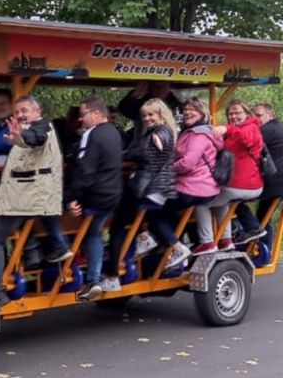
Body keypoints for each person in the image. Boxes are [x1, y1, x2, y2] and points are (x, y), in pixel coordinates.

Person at [0, 96, 71, 306]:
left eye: (25, 110)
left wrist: (20, 136)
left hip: (26, 198)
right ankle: (34, 258)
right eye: (18, 111)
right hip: (25, 196)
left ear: (37, 110)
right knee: (10, 236)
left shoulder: (42, 127)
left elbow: (34, 138)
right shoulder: (30, 129)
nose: (21, 114)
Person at [104, 98, 178, 283]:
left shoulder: (161, 131)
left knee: (119, 225)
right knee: (141, 220)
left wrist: (157, 140)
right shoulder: (151, 132)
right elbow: (135, 152)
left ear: (160, 114)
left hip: (146, 186)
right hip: (150, 187)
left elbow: (162, 140)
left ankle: (113, 274)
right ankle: (146, 239)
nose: (147, 118)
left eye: (151, 114)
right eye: (144, 115)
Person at [145, 96, 221, 269]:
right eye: (185, 110)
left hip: (194, 187)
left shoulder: (198, 134)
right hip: (204, 187)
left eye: (192, 109)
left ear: (202, 113)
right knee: (169, 211)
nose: (187, 113)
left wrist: (168, 167)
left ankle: (176, 248)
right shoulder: (198, 131)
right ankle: (166, 244)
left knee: (153, 209)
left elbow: (188, 163)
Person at [61, 96, 124, 300]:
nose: (80, 119)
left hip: (94, 196)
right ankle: (93, 278)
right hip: (113, 194)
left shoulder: (91, 134)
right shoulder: (114, 132)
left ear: (96, 114)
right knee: (93, 232)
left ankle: (78, 274)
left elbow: (83, 171)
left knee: (56, 221)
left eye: (83, 114)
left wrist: (69, 198)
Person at [193, 100, 264, 255]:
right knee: (219, 202)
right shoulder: (235, 131)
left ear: (246, 114)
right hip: (238, 186)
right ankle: (226, 241)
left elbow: (246, 138)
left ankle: (207, 243)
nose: (234, 116)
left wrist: (226, 128)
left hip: (244, 184)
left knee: (200, 202)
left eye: (238, 112)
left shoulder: (251, 127)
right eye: (231, 113)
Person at [234, 102, 283, 244]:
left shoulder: (268, 130)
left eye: (259, 115)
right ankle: (260, 248)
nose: (255, 119)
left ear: (270, 115)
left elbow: (244, 145)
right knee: (262, 216)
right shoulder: (275, 127)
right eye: (253, 115)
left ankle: (250, 236)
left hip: (277, 183)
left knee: (234, 198)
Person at [117, 81, 181, 139]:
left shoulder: (176, 104)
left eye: (163, 87)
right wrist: (134, 95)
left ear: (169, 87)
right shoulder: (143, 103)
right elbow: (124, 109)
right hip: (143, 140)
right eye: (157, 87)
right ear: (150, 88)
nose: (160, 90)